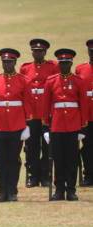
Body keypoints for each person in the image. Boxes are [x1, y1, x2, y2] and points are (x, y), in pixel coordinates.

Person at [0, 48, 33, 202]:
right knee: (0, 160)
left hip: (16, 126)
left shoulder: (23, 80)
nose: (7, 64)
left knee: (13, 159)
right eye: (4, 62)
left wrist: (27, 125)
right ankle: (2, 191)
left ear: (15, 62)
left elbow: (28, 103)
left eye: (10, 62)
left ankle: (12, 191)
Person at [43, 49, 89, 201]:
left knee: (72, 159)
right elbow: (46, 105)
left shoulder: (78, 81)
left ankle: (71, 190)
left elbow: (83, 104)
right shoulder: (51, 81)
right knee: (58, 159)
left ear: (71, 64)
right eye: (61, 63)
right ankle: (59, 189)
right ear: (59, 64)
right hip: (56, 125)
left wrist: (82, 127)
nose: (64, 66)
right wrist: (46, 127)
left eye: (67, 63)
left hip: (73, 126)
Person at [20, 39, 59, 188]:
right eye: (35, 51)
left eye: (40, 51)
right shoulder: (25, 68)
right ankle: (32, 175)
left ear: (45, 52)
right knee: (31, 146)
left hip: (46, 113)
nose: (37, 53)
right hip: (31, 114)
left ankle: (46, 175)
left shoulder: (53, 67)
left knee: (47, 146)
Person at [75, 39, 93, 186]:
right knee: (87, 148)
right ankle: (88, 175)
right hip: (87, 116)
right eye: (91, 51)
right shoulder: (80, 69)